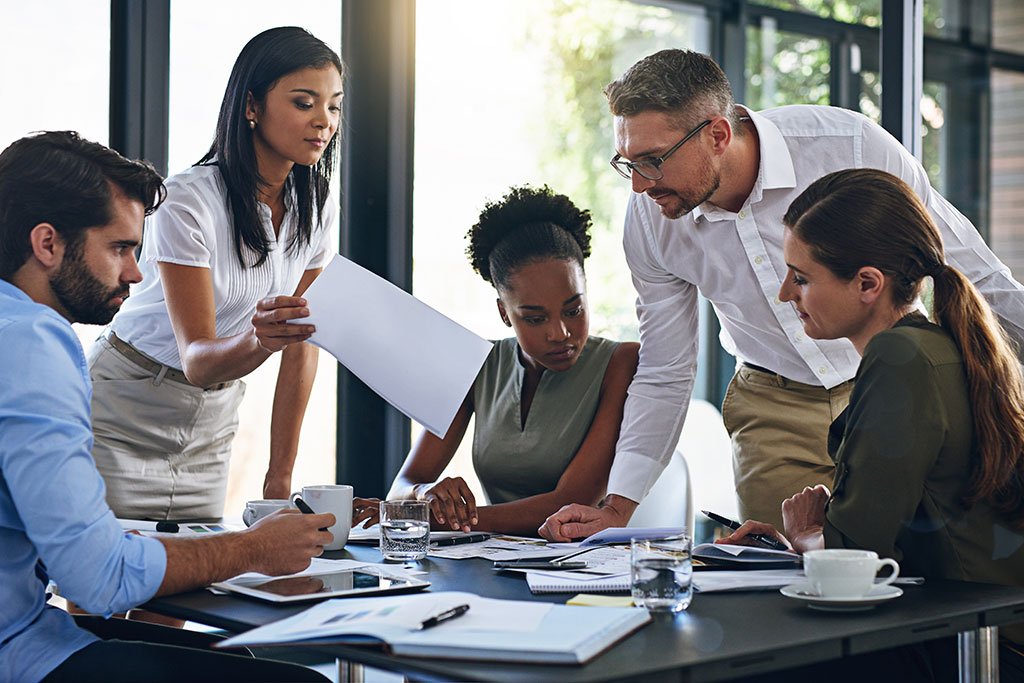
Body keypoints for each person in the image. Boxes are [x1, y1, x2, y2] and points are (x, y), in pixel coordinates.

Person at [539, 48, 1024, 540]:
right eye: (628, 164)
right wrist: (619, 507)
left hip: (895, 383)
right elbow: (666, 366)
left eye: (652, 161)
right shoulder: (650, 218)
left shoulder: (849, 146)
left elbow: (973, 273)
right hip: (774, 407)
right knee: (782, 582)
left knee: (915, 568)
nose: (640, 186)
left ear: (717, 135)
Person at [0, 130, 334, 682]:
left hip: (28, 624)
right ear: (47, 243)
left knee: (233, 660)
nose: (134, 272)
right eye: (120, 248)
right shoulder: (34, 342)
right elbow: (97, 579)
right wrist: (251, 549)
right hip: (21, 653)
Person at [718, 168, 1024, 681]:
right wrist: (801, 539)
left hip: (963, 646)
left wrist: (806, 536)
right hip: (975, 631)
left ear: (867, 284)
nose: (784, 294)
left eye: (802, 277)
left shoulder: (900, 357)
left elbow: (858, 555)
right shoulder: (942, 347)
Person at [87, 27, 342, 520]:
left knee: (196, 584)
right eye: (304, 102)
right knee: (98, 588)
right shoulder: (187, 200)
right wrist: (263, 340)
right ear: (251, 106)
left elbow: (302, 343)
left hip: (213, 419)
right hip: (124, 408)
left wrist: (279, 476)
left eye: (333, 106)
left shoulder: (318, 203)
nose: (323, 122)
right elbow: (199, 359)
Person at [365, 186, 638, 536]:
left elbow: (573, 501)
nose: (561, 333)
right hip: (497, 563)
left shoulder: (621, 362)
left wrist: (434, 518)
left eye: (574, 310)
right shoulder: (477, 364)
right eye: (535, 318)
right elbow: (404, 484)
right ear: (504, 313)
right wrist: (425, 495)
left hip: (594, 569)